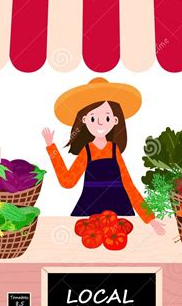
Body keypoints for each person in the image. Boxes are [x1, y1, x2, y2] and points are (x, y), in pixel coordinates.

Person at [41, 77, 165, 235]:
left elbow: (129, 186)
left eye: (106, 118)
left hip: (120, 214)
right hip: (89, 215)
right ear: (85, 120)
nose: (100, 123)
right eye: (93, 118)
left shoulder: (115, 150)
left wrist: (150, 218)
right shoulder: (87, 151)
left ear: (114, 121)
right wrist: (51, 147)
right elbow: (67, 181)